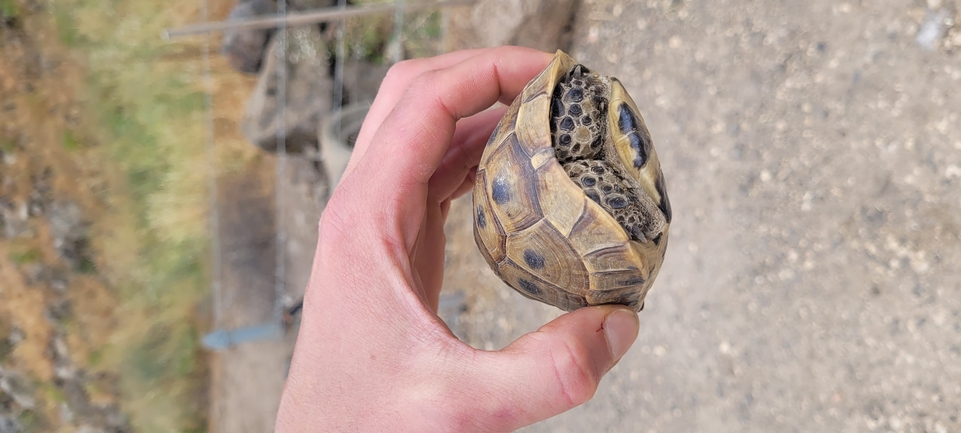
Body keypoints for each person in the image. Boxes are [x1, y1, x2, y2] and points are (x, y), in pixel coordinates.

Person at [275, 46, 641, 432]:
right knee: (592, 160)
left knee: (574, 105)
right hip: (602, 264)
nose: (579, 106)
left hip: (559, 199)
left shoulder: (568, 117)